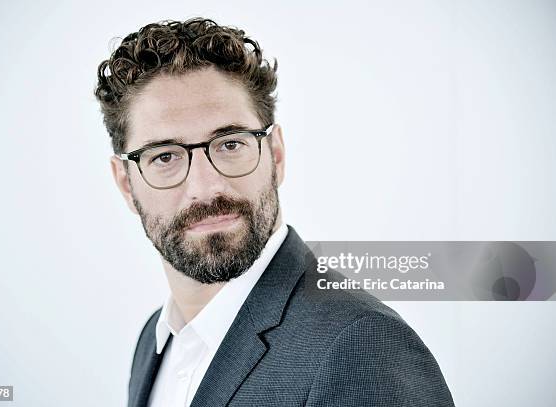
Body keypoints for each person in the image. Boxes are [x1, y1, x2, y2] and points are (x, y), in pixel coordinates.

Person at [94, 17, 455, 407]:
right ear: (127, 184)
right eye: (164, 156)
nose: (205, 187)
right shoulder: (156, 340)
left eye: (231, 144)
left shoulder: (364, 347)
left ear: (276, 154)